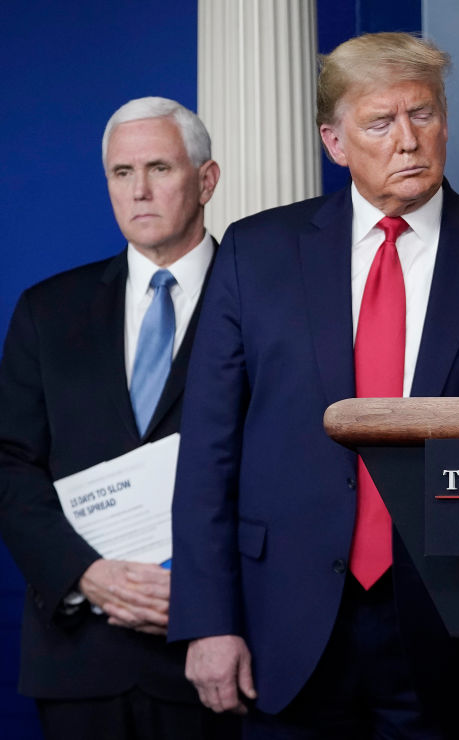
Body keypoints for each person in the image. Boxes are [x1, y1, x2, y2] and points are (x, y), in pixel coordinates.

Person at [167, 32, 459, 739]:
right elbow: (209, 450)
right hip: (287, 626)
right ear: (335, 142)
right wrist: (209, 620)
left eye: (423, 115)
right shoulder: (255, 252)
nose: (408, 141)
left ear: (446, 123)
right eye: (381, 122)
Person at [0, 97, 235, 738]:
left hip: (217, 651)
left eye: (159, 167)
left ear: (206, 179)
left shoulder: (265, 307)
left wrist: (214, 600)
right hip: (80, 660)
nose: (139, 191)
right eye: (120, 173)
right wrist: (85, 574)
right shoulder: (48, 310)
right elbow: (9, 463)